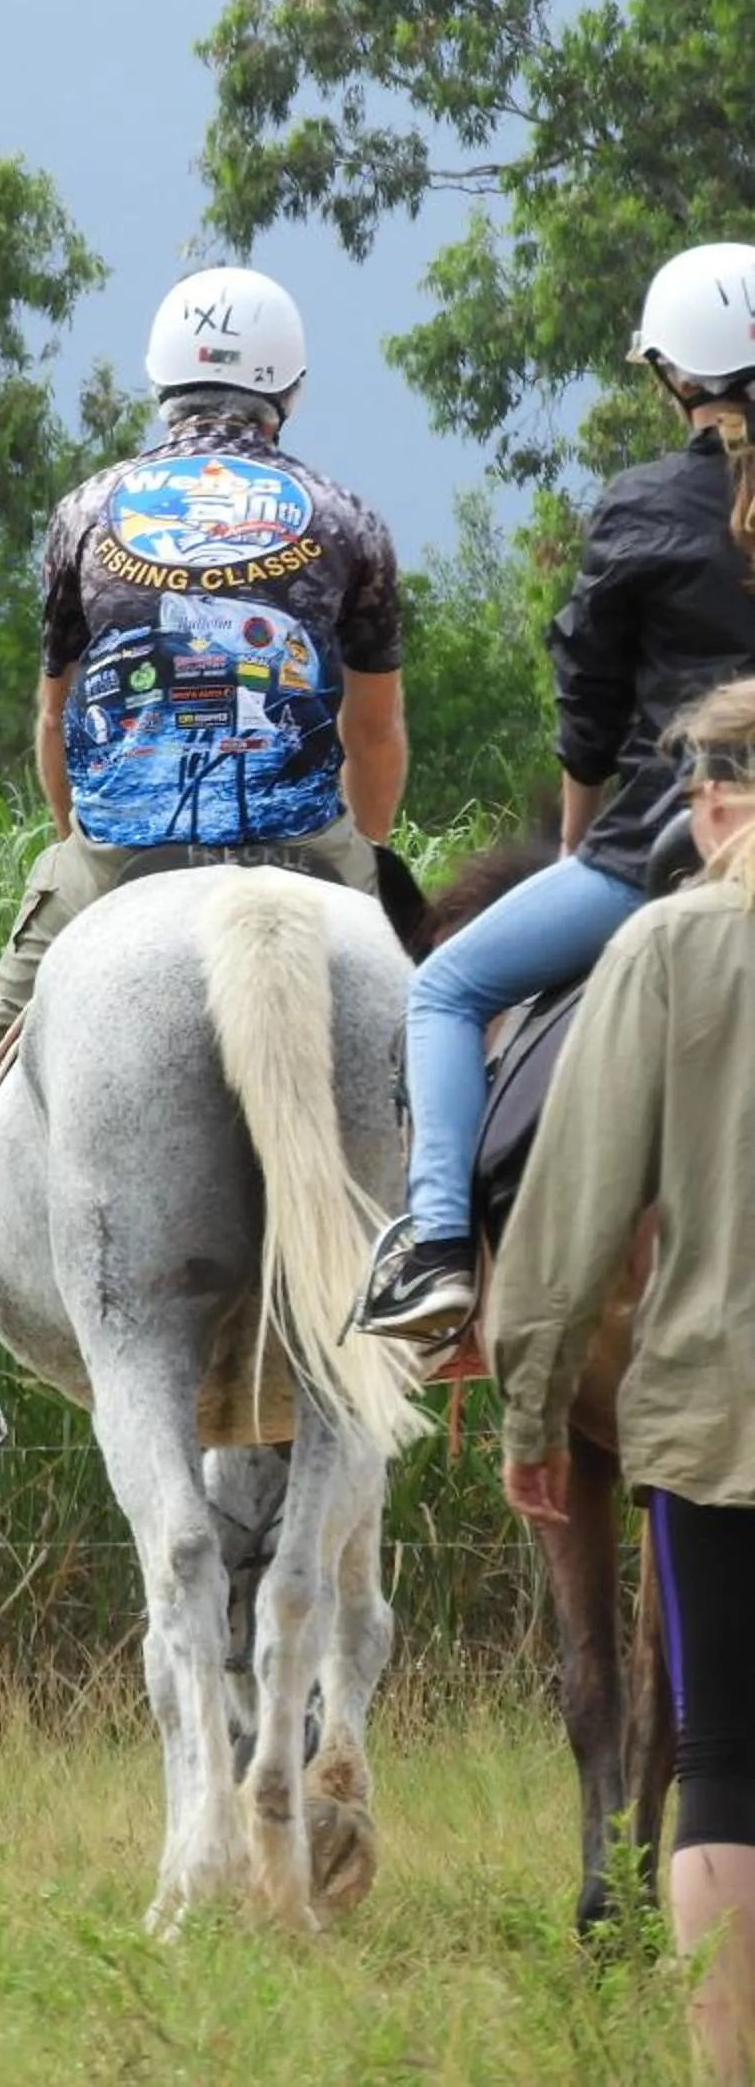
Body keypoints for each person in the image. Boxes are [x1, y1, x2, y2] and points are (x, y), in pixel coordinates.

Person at [0, 267, 406, 1415]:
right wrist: (361, 856)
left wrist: (81, 845)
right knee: (436, 1016)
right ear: (287, 388)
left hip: (123, 847)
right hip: (301, 838)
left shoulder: (85, 513)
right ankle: (446, 1257)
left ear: (163, 381)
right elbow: (375, 726)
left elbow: (55, 714)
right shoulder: (350, 516)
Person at [359, 240, 755, 1340]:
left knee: (443, 993)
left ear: (671, 376)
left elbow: (589, 708)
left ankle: (437, 1246)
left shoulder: (641, 508)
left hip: (674, 848)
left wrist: (587, 844)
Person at [490, 675, 755, 2087]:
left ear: (708, 797)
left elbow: (572, 1213)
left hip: (718, 1425)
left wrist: (532, 1406)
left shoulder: (661, 945)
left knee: (720, 1757)